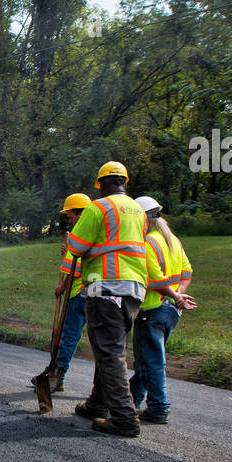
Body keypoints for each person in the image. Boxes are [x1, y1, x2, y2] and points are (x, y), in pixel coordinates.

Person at [63, 162, 150, 437]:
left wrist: (69, 240)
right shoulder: (138, 210)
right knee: (108, 347)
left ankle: (124, 417)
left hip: (106, 287)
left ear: (100, 185)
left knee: (110, 353)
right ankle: (98, 404)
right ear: (125, 181)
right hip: (134, 289)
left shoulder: (97, 208)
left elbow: (76, 247)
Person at [130, 196, 197, 424]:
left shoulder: (148, 243)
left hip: (152, 309)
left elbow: (155, 280)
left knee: (151, 362)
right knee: (147, 359)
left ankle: (158, 408)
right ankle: (132, 399)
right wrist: (178, 295)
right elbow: (186, 272)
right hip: (171, 312)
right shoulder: (173, 240)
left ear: (143, 218)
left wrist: (174, 295)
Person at [33, 192, 92, 393]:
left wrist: (62, 287)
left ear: (79, 213)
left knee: (68, 337)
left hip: (77, 293)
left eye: (70, 216)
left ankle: (55, 378)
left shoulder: (81, 231)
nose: (69, 219)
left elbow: (72, 267)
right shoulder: (96, 230)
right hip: (90, 292)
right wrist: (68, 251)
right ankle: (56, 375)